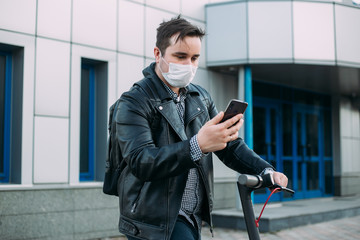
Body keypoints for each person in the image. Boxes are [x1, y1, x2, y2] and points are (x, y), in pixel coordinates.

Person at [115, 15, 288, 240]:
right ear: (158, 54)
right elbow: (141, 161)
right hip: (153, 222)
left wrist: (265, 170)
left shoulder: (200, 96)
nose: (189, 65)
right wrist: (198, 145)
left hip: (193, 217)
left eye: (195, 58)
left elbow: (229, 145)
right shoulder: (133, 101)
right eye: (180, 56)